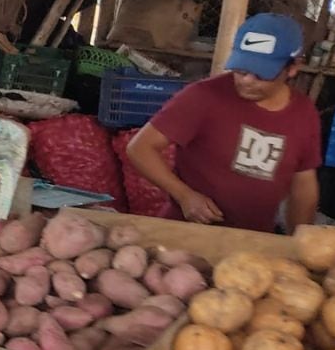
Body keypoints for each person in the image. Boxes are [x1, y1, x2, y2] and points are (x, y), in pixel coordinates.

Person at [127, 13, 320, 233]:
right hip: (187, 233)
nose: (246, 81)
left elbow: (303, 184)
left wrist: (299, 240)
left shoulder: (304, 112)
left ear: (293, 67)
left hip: (255, 241)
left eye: (261, 75)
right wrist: (184, 195)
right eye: (241, 70)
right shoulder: (203, 96)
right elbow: (140, 148)